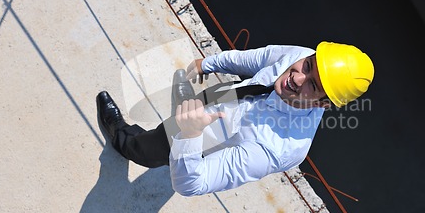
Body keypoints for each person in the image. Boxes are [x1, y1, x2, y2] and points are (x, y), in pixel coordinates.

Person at [96, 42, 374, 196]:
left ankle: (124, 140)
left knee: (150, 149)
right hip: (224, 97)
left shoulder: (281, 147)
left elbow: (191, 185)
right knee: (198, 105)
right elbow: (259, 58)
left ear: (323, 104)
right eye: (307, 66)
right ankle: (187, 109)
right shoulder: (304, 57)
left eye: (312, 85)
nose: (296, 78)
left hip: (209, 140)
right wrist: (211, 63)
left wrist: (191, 135)